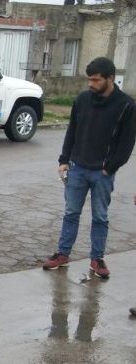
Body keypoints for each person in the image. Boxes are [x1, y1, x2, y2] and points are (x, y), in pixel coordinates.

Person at [43, 57, 136, 278]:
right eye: (89, 79)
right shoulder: (83, 99)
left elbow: (127, 142)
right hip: (77, 167)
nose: (90, 84)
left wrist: (110, 167)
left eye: (95, 80)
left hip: (102, 172)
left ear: (110, 79)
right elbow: (72, 131)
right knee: (71, 213)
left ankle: (97, 259)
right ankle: (62, 254)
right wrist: (64, 160)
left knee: (100, 217)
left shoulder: (126, 106)